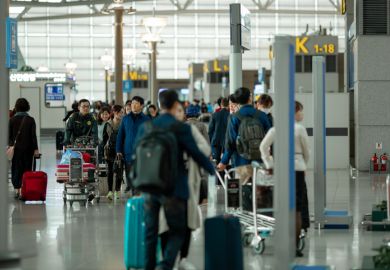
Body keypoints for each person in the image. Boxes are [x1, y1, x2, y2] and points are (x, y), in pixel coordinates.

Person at [135, 90, 214, 270]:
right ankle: (166, 265)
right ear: (175, 104)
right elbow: (195, 152)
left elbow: (136, 154)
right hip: (174, 187)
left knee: (150, 232)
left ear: (159, 104)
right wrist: (211, 170)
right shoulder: (181, 128)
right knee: (178, 230)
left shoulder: (147, 126)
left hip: (149, 186)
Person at [159, 102, 211, 270]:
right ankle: (167, 259)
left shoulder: (189, 130)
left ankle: (183, 258)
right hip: (165, 185)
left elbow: (205, 149)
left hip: (187, 184)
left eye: (179, 111)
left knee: (188, 221)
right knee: (164, 223)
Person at [260, 101, 310, 257]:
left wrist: (270, 164)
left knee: (282, 204)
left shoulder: (275, 129)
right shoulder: (300, 129)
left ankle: (280, 242)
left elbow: (263, 147)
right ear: (294, 112)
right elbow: (306, 151)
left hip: (280, 169)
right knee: (297, 207)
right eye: (300, 111)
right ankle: (293, 246)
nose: (302, 114)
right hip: (297, 169)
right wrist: (304, 164)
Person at [217, 87, 271, 182]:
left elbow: (230, 142)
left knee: (242, 191)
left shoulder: (234, 117)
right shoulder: (262, 115)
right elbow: (270, 138)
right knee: (259, 192)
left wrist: (224, 161)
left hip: (240, 161)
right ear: (250, 98)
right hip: (260, 161)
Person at [116, 96, 149, 194]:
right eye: (132, 103)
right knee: (130, 176)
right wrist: (118, 150)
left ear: (142, 106)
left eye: (136, 103)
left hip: (141, 152)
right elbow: (120, 135)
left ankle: (137, 195)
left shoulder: (146, 119)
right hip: (128, 152)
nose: (133, 105)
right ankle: (134, 192)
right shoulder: (126, 119)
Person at [8, 98, 39, 199]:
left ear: (16, 107)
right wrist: (36, 150)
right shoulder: (30, 120)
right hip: (28, 150)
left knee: (16, 169)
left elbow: (9, 136)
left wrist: (10, 146)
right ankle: (23, 191)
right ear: (27, 107)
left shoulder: (11, 120)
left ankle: (17, 191)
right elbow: (33, 136)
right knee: (26, 169)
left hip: (16, 150)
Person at [102, 105, 124, 201]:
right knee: (110, 171)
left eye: (122, 113)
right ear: (115, 112)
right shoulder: (108, 124)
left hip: (120, 151)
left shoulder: (124, 124)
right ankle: (110, 191)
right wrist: (105, 151)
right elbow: (104, 139)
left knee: (119, 171)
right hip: (110, 151)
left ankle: (117, 190)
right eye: (120, 113)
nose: (122, 114)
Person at [208, 97, 230, 163]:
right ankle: (226, 173)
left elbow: (210, 130)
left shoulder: (214, 115)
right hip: (226, 142)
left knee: (216, 161)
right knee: (226, 161)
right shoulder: (230, 115)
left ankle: (218, 173)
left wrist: (210, 141)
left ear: (221, 105)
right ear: (228, 105)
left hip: (215, 141)